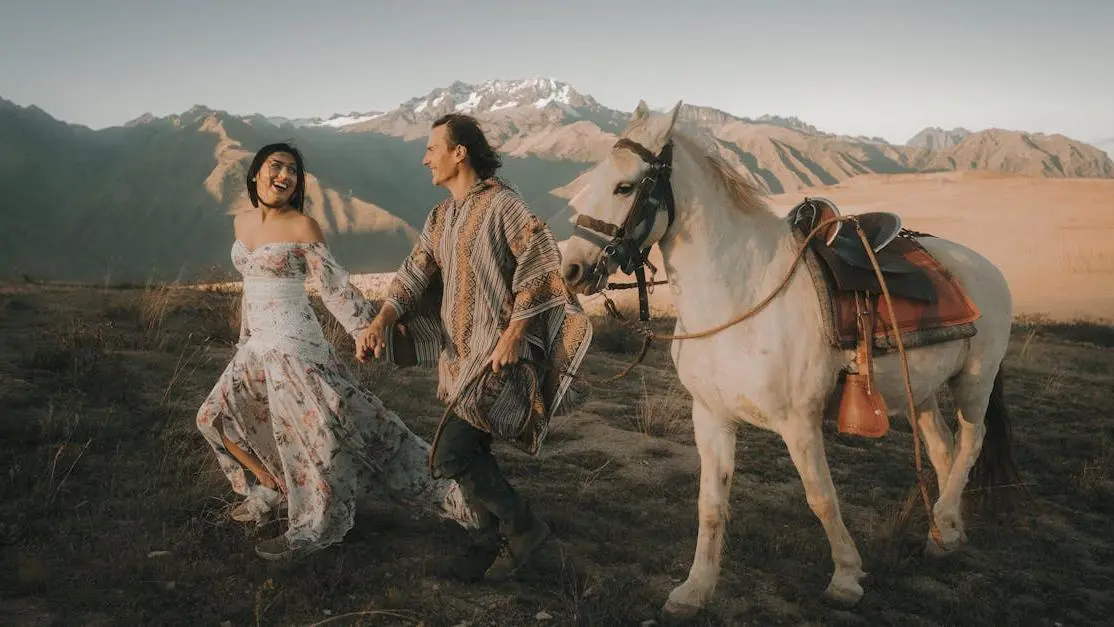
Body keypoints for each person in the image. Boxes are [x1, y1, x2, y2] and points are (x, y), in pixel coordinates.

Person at [195, 142, 479, 561]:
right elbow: (251, 289)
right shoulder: (241, 221)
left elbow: (333, 289)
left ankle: (313, 529)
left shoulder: (302, 227)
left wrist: (371, 329)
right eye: (276, 166)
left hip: (296, 347)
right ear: (255, 174)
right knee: (213, 418)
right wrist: (243, 341)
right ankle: (268, 488)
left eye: (293, 171)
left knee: (324, 439)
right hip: (256, 346)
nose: (285, 175)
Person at [357, 114, 593, 582]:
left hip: (499, 359)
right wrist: (382, 320)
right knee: (468, 454)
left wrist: (514, 333)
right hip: (459, 360)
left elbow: (541, 258)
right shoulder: (440, 215)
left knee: (449, 453)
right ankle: (487, 545)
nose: (424, 157)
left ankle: (522, 528)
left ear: (458, 152)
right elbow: (414, 272)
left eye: (431, 148)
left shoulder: (505, 205)